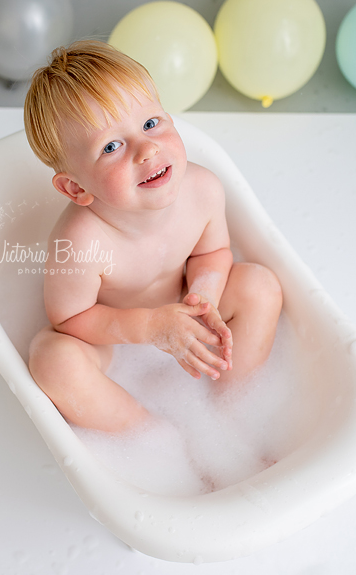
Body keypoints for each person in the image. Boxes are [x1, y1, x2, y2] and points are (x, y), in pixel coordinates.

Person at [23, 40, 282, 432]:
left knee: (259, 285)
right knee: (51, 358)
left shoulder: (202, 190)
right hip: (116, 339)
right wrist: (150, 328)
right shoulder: (80, 243)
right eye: (111, 147)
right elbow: (71, 318)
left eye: (150, 124)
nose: (146, 150)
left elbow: (212, 252)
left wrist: (203, 302)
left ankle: (233, 410)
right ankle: (152, 435)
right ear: (76, 189)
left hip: (183, 304)